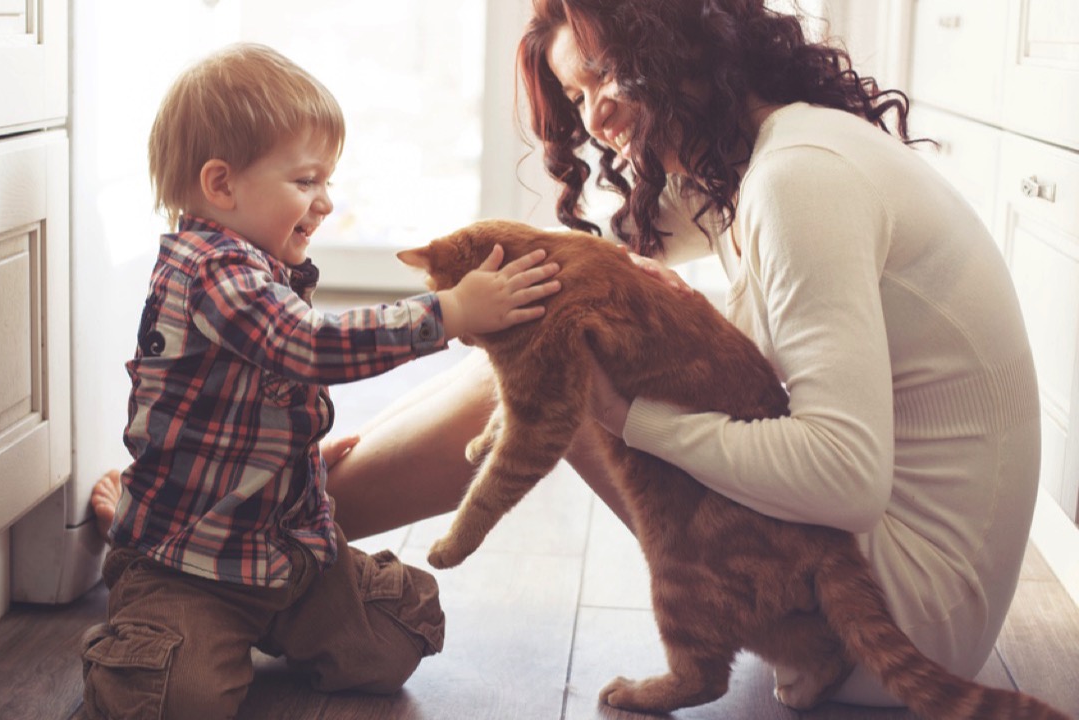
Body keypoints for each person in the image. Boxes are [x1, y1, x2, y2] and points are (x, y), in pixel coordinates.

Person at [320, 0, 1044, 711]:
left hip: (892, 622)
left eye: (606, 75)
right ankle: (300, 491)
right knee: (541, 326)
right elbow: (586, 256)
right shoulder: (772, 151)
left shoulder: (800, 181)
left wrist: (630, 417)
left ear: (678, 40)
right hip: (878, 584)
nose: (594, 119)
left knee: (552, 376)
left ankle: (276, 530)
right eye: (578, 95)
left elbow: (846, 476)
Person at [80, 42, 562, 720]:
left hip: (281, 553)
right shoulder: (209, 271)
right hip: (188, 563)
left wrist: (295, 462)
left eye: (327, 182)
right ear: (221, 185)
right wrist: (448, 313)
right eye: (307, 182)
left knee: (400, 639)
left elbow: (259, 400)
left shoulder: (256, 263)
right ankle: (143, 590)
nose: (326, 202)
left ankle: (241, 621)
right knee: (171, 701)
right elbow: (306, 344)